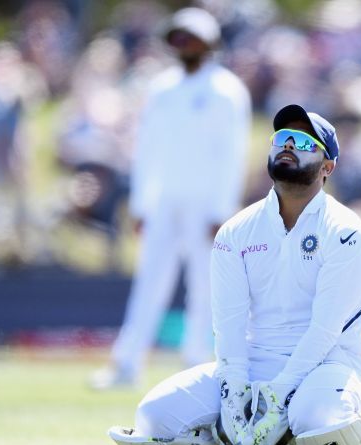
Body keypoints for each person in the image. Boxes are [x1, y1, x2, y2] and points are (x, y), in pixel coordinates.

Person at [108, 104, 361, 445]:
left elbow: (327, 328)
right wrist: (235, 388)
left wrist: (279, 393)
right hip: (256, 359)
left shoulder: (346, 232)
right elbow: (230, 324)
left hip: (329, 363)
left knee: (316, 413)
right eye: (281, 140)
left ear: (327, 165)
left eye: (304, 142)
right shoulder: (236, 231)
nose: (288, 146)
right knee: (153, 422)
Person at [91, 7, 251, 388]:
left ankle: (197, 366)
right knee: (149, 280)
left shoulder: (226, 90)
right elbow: (148, 150)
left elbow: (233, 154)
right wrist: (143, 203)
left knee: (204, 284)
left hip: (205, 204)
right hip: (164, 201)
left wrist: (221, 210)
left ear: (209, 43)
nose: (184, 44)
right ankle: (126, 363)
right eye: (179, 37)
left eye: (191, 37)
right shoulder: (162, 87)